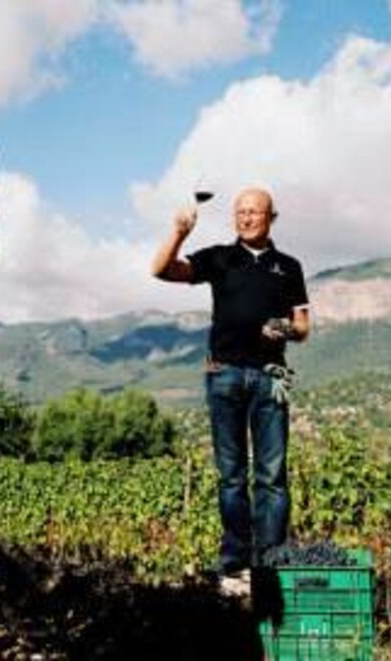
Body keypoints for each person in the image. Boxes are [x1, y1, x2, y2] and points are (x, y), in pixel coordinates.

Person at [151, 187, 310, 597]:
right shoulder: (220, 257)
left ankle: (270, 566)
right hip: (223, 376)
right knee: (232, 477)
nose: (246, 218)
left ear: (272, 216)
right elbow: (161, 270)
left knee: (272, 477)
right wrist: (179, 232)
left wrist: (285, 329)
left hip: (270, 378)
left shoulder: (288, 266)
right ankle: (235, 567)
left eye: (254, 212)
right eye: (240, 212)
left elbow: (304, 327)